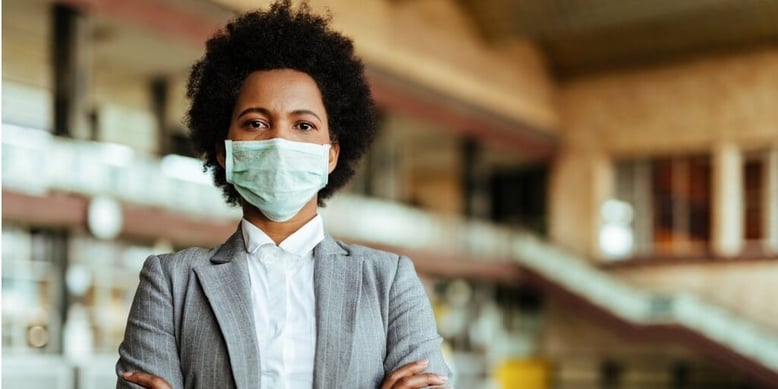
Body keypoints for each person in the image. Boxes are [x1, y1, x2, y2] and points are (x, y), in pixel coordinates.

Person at [115, 1, 453, 388]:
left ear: (331, 154)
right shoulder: (172, 282)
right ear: (225, 152)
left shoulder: (389, 281)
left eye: (304, 125)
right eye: (256, 122)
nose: (279, 140)